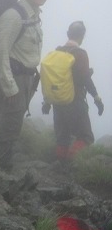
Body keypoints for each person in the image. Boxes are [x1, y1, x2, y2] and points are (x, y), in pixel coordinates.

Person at [0, 0, 50, 169]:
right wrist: (9, 86)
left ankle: (3, 165)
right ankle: (1, 171)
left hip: (25, 78)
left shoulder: (32, 15)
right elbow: (1, 51)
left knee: (13, 123)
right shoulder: (14, 15)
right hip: (12, 78)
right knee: (9, 126)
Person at [42, 21, 104, 161]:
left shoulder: (56, 51)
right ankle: (70, 164)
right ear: (82, 36)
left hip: (57, 101)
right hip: (75, 101)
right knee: (86, 136)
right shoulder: (80, 54)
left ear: (68, 34)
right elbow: (85, 79)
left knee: (62, 138)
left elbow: (49, 78)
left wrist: (47, 101)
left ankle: (59, 167)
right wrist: (97, 98)